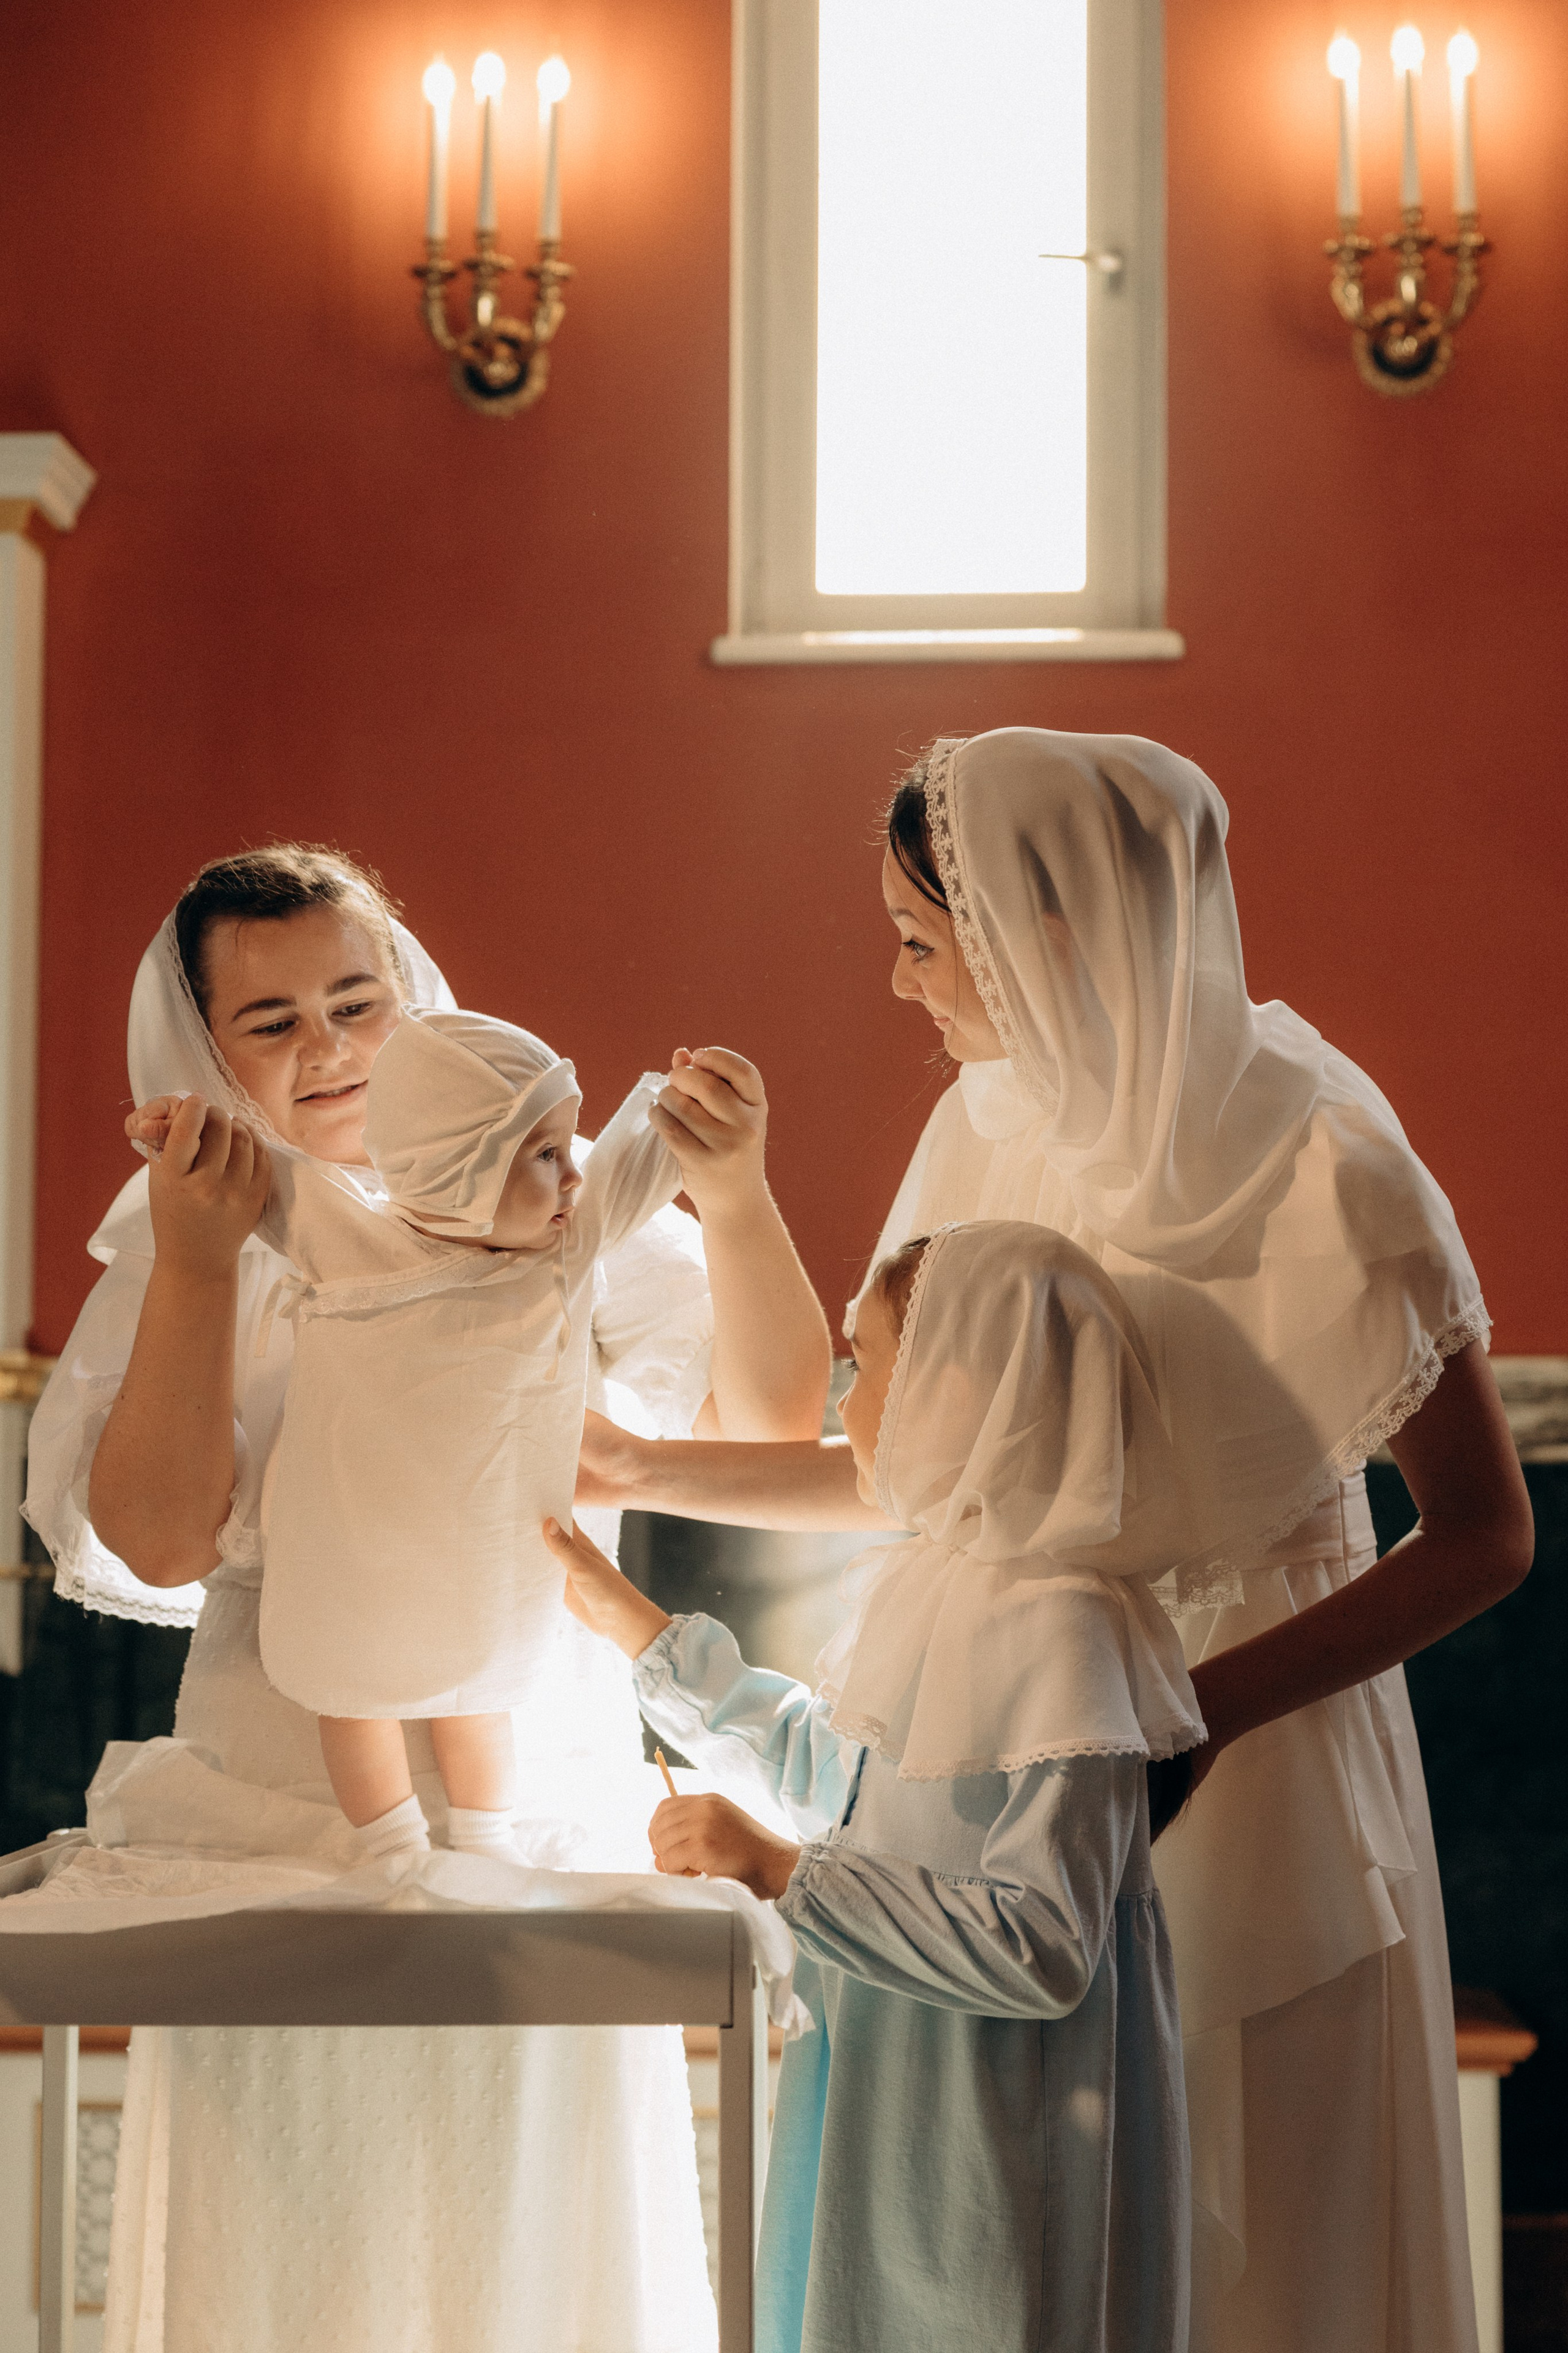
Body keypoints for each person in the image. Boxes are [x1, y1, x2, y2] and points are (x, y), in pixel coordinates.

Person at [576, 729, 1534, 2353]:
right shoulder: (982, 1123)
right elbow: (926, 1459)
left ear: (1054, 930)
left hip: (1262, 1755)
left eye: (919, 940)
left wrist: (1180, 1724)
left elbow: (1485, 1538)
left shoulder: (1330, 1163)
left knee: (1261, 2249)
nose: (898, 984)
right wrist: (631, 1466)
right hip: (1005, 1742)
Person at [25, 844, 832, 2353]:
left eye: (356, 999)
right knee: (287, 2248)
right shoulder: (196, 1236)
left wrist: (735, 1197)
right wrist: (200, 1268)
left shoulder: (543, 1197)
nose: (328, 1051)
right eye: (270, 1025)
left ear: (411, 995)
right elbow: (150, 1540)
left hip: (528, 1779)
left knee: (531, 2223)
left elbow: (767, 1421)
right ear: (203, 1049)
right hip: (282, 1793)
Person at [553, 1218, 1206, 2353]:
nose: (842, 1400)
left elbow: (1044, 1944)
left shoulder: (1066, 1623)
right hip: (888, 2077)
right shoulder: (935, 1578)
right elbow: (836, 1773)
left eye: (868, 1366)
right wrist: (638, 1628)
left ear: (964, 1393)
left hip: (992, 2115)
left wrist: (777, 1865)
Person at [131, 1003, 689, 1862]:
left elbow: (624, 1173)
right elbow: (267, 1180)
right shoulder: (355, 1242)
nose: (574, 1178)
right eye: (544, 1155)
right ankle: (390, 1844)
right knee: (350, 1690)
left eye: (566, 1149)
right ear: (460, 1170)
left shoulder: (559, 1256)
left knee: (478, 1692)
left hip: (482, 1555)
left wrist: (685, 1103)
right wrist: (188, 1133)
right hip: (358, 1547)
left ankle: (485, 1840)